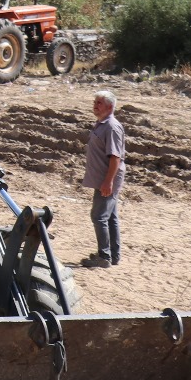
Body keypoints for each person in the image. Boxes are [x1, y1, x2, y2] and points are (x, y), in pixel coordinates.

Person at [80, 89, 126, 268]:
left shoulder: (111, 127)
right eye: (95, 102)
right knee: (110, 217)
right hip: (103, 178)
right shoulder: (102, 124)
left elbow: (115, 157)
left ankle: (104, 256)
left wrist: (108, 181)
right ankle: (113, 255)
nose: (95, 105)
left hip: (107, 179)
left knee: (99, 216)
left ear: (110, 106)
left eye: (99, 103)